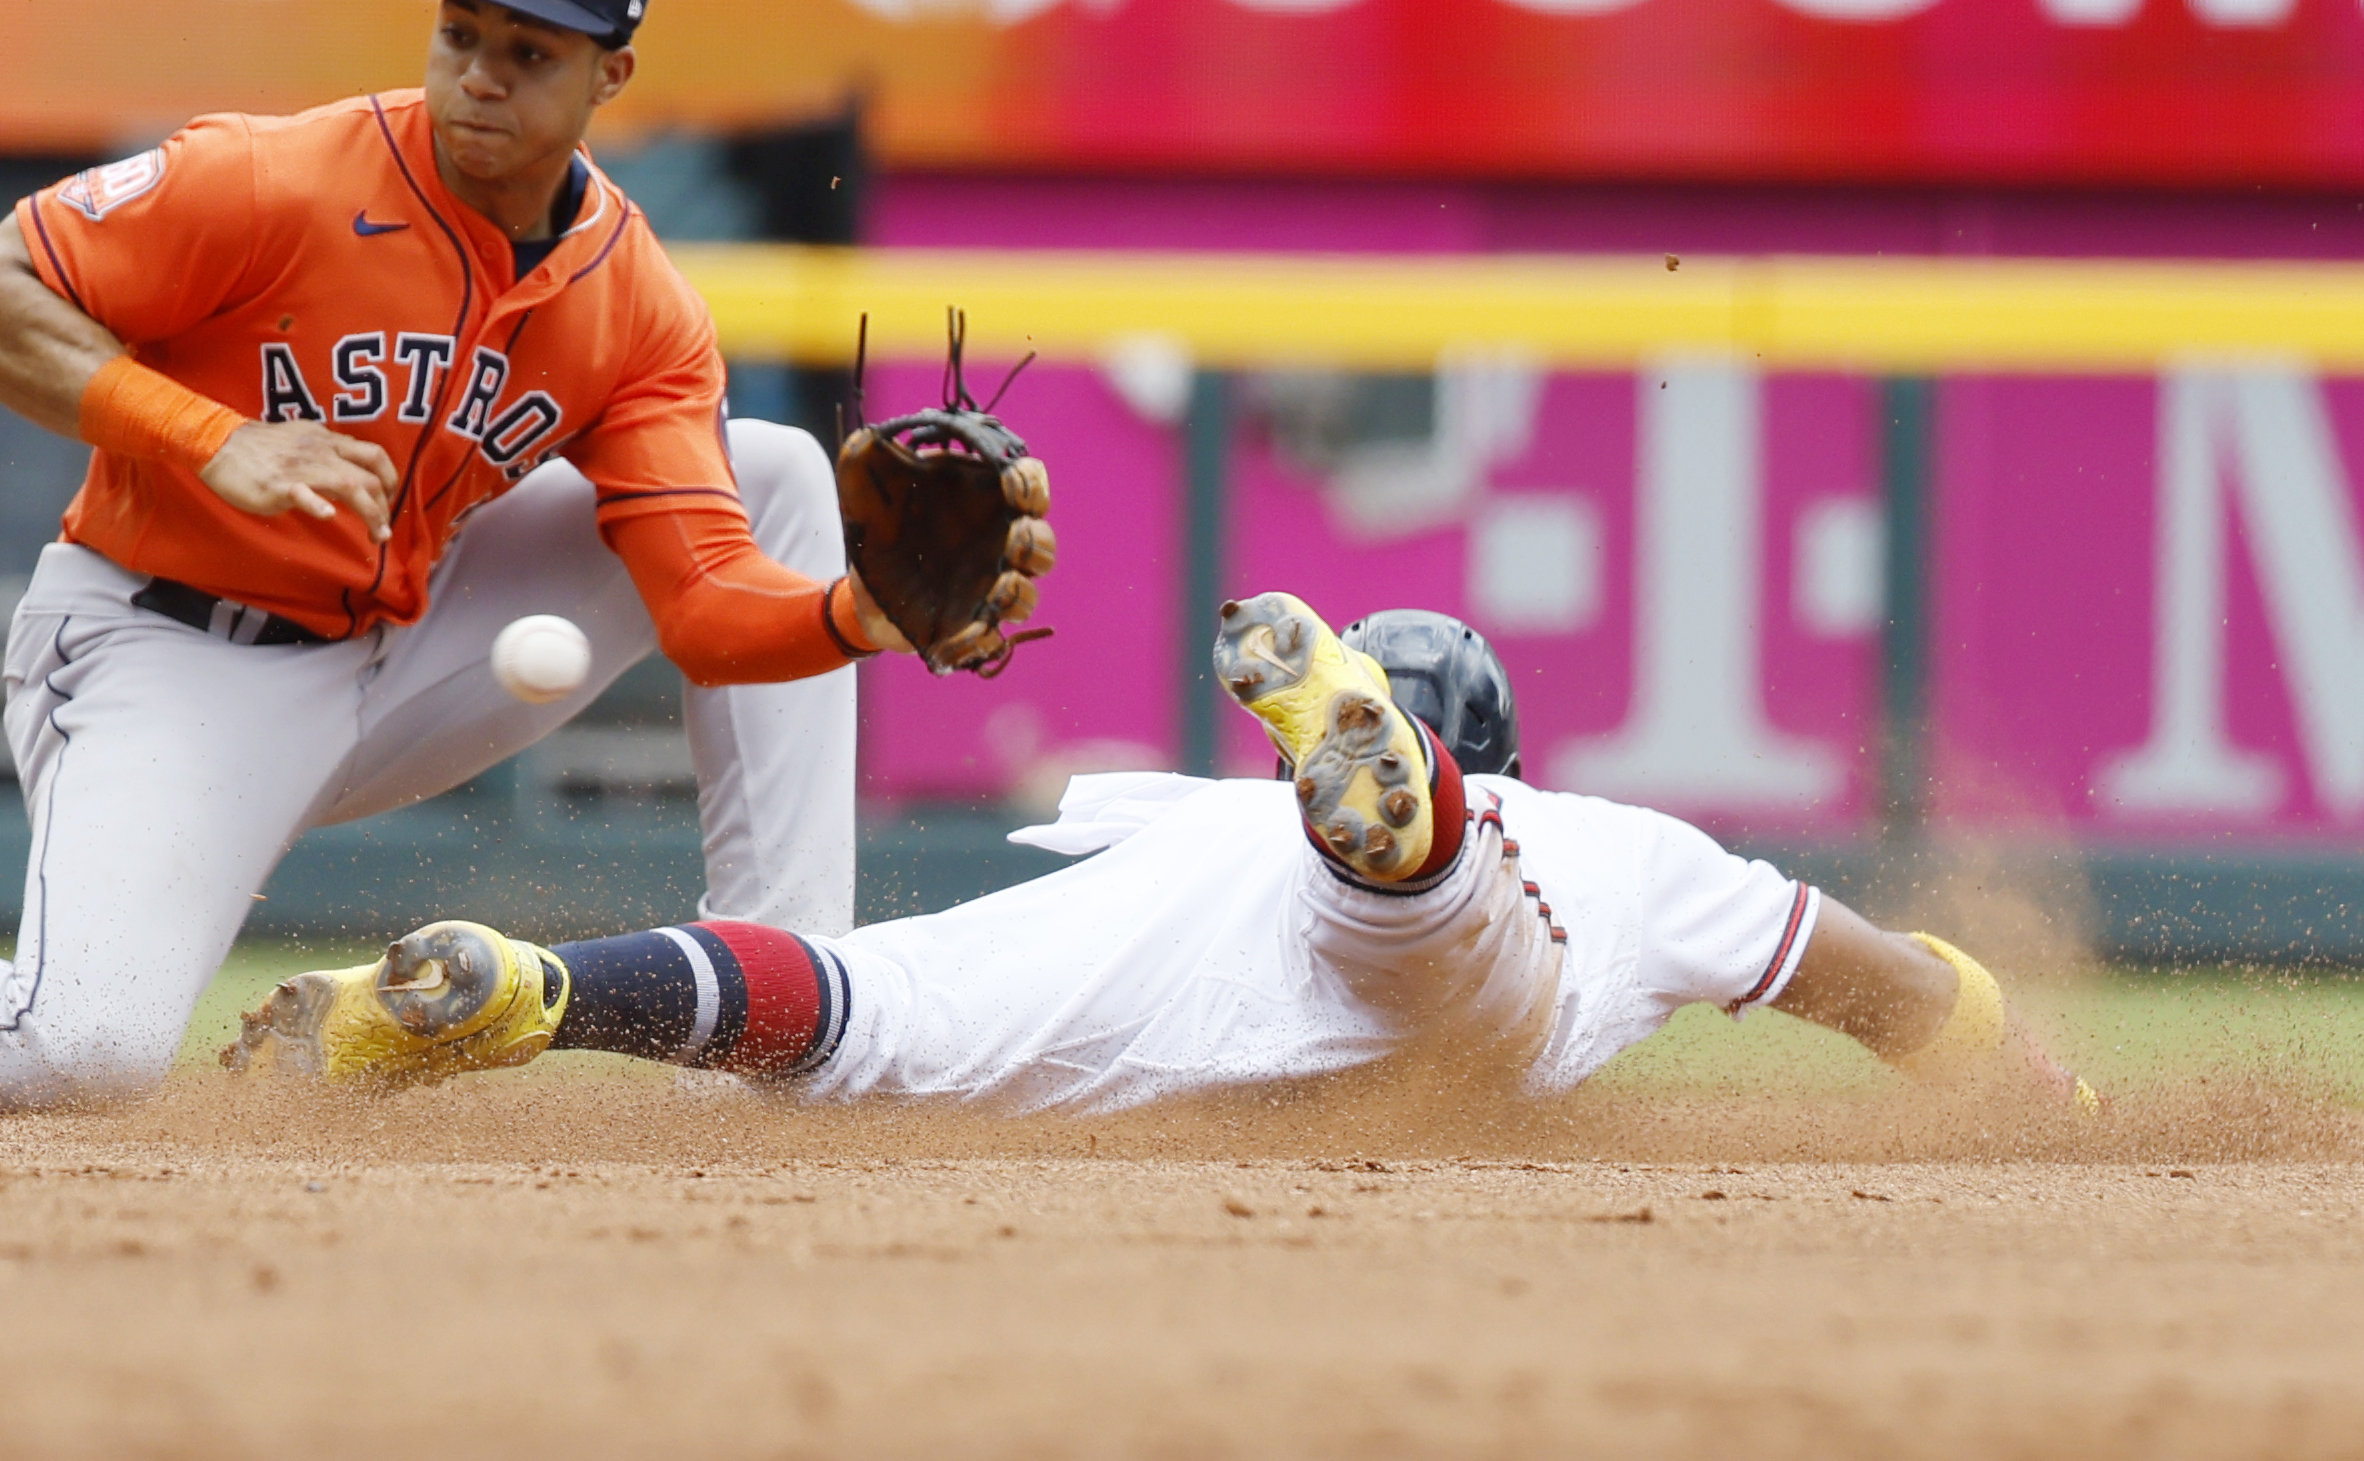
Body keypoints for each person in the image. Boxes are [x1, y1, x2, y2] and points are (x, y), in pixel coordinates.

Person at [0, 0, 1011, 1113]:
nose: (482, 75)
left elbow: (701, 608)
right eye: (460, 33)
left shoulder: (635, 302)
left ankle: (788, 1010)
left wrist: (854, 616)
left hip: (407, 643)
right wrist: (207, 436)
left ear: (609, 78)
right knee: (84, 1046)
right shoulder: (271, 180)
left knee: (770, 475)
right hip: (163, 649)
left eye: (529, 48)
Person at [241, 592, 2097, 1118]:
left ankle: (538, 995)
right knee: (1441, 939)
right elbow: (1890, 984)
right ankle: (1411, 834)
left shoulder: (1190, 810)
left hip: (1180, 917)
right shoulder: (1615, 841)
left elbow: (1088, 800)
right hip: (1439, 938)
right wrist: (2023, 1068)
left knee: (865, 1015)